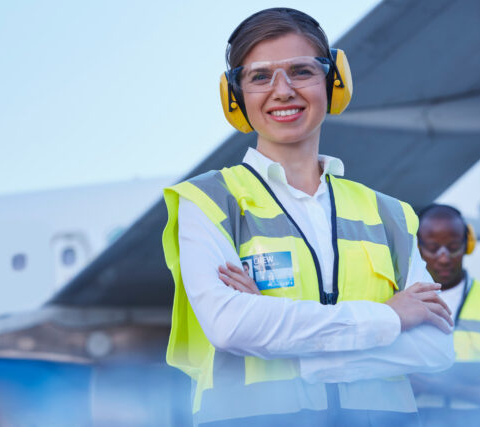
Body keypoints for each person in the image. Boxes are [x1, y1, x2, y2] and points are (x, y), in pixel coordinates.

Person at [162, 8, 455, 426]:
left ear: (333, 83)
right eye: (260, 76)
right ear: (235, 96)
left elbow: (435, 349)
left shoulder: (390, 213)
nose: (282, 91)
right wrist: (389, 316)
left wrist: (284, 341)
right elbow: (230, 327)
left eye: (301, 71)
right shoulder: (209, 200)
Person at [411, 204, 480, 427]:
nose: (443, 258)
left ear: (468, 244)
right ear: (417, 247)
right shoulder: (401, 303)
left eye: (453, 247)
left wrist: (435, 387)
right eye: (433, 248)